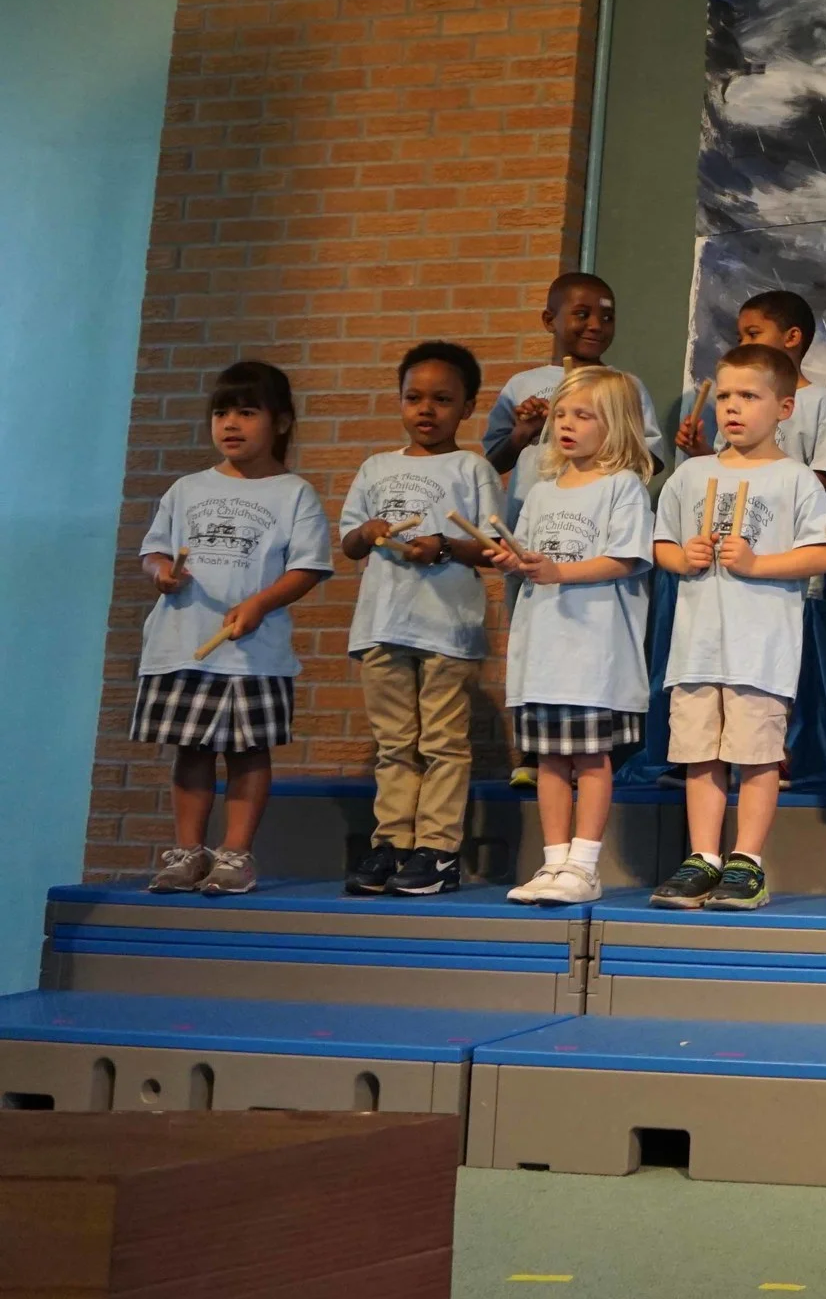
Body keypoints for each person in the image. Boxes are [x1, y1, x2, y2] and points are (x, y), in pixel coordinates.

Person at [646, 345, 826, 912]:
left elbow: (820, 554)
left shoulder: (795, 479)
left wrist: (757, 563)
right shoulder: (692, 474)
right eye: (725, 395)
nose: (732, 407)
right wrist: (683, 557)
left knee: (756, 755)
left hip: (760, 649)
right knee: (699, 752)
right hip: (697, 647)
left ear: (784, 408)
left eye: (749, 396)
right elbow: (662, 544)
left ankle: (746, 861)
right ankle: (702, 857)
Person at [134, 361, 333, 897]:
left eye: (246, 412)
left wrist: (260, 603)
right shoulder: (186, 488)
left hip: (253, 653)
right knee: (191, 749)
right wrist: (162, 573)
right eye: (221, 412)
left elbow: (309, 567)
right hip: (182, 644)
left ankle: (235, 854)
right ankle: (188, 851)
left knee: (248, 751)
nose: (230, 424)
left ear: (281, 422)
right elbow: (153, 550)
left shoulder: (294, 493)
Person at [338, 341, 501, 896]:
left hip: (446, 629)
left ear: (467, 407)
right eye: (414, 398)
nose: (426, 409)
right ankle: (392, 843)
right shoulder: (375, 467)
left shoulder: (473, 468)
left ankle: (438, 849)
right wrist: (367, 532)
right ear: (400, 401)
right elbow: (349, 543)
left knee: (443, 744)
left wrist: (445, 546)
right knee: (394, 745)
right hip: (382, 625)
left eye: (442, 399)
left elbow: (495, 547)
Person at [494, 366, 656, 905]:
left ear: (616, 425)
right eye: (561, 414)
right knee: (547, 760)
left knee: (590, 760)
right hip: (543, 653)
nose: (566, 424)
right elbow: (531, 558)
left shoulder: (622, 487)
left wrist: (559, 571)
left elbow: (625, 558)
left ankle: (584, 866)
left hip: (592, 655)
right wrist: (513, 560)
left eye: (583, 415)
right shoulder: (541, 493)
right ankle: (553, 861)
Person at [481, 271, 665, 523]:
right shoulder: (522, 385)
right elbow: (493, 463)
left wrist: (605, 432)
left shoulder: (625, 387)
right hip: (530, 523)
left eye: (607, 317)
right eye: (582, 314)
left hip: (596, 522)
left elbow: (651, 461)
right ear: (549, 320)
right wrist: (523, 433)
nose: (596, 325)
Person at [674, 289, 826, 496]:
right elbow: (727, 465)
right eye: (740, 338)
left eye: (753, 334)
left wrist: (766, 479)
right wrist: (701, 451)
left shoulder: (820, 400)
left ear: (792, 337)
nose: (744, 344)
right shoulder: (737, 402)